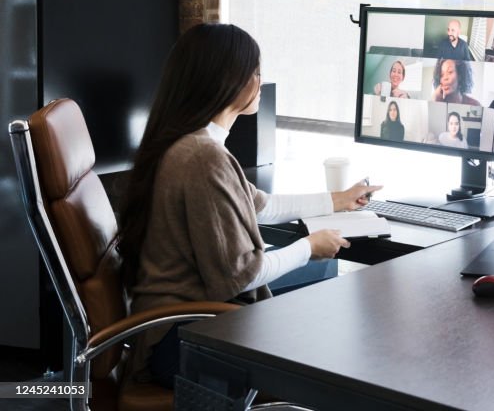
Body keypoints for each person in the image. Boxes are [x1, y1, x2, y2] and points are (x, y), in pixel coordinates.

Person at [117, 23, 382, 389]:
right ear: (227, 81)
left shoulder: (195, 142)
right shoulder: (201, 157)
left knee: (324, 273)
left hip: (185, 318)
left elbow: (261, 206)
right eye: (255, 72)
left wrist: (338, 200)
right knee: (330, 304)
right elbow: (238, 275)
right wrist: (308, 246)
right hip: (183, 336)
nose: (260, 81)